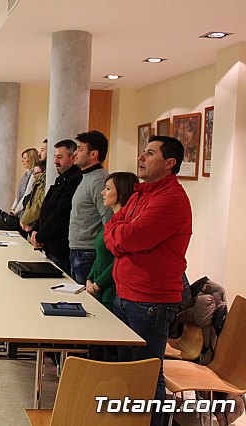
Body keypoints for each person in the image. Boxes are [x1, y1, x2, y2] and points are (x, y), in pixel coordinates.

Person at [104, 135, 192, 426]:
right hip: (126, 295)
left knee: (148, 376)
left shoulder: (171, 200)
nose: (141, 157)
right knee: (128, 372)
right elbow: (113, 230)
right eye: (143, 152)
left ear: (169, 163)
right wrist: (120, 236)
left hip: (150, 302)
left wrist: (120, 236)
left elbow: (130, 236)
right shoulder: (141, 193)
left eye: (150, 153)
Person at [85, 172, 139, 312]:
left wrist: (98, 285)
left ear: (121, 193)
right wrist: (90, 278)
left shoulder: (125, 225)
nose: (103, 192)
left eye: (108, 189)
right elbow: (100, 254)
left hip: (110, 291)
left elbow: (119, 261)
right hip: (98, 289)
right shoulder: (112, 221)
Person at [30, 140, 82, 275]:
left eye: (60, 157)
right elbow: (46, 209)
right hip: (49, 243)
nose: (55, 161)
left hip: (60, 247)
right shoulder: (62, 179)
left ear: (72, 157)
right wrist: (36, 229)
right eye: (55, 157)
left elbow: (60, 213)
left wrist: (40, 236)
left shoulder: (75, 179)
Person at [68, 130, 112, 284]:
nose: (75, 153)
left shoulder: (99, 180)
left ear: (93, 154)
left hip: (88, 253)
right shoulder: (87, 176)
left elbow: (108, 219)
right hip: (78, 250)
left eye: (80, 149)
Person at [10, 147, 40, 218]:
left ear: (31, 159)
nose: (22, 161)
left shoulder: (33, 175)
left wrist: (16, 211)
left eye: (25, 158)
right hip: (19, 211)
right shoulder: (25, 175)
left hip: (26, 211)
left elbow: (26, 194)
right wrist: (13, 208)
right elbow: (19, 194)